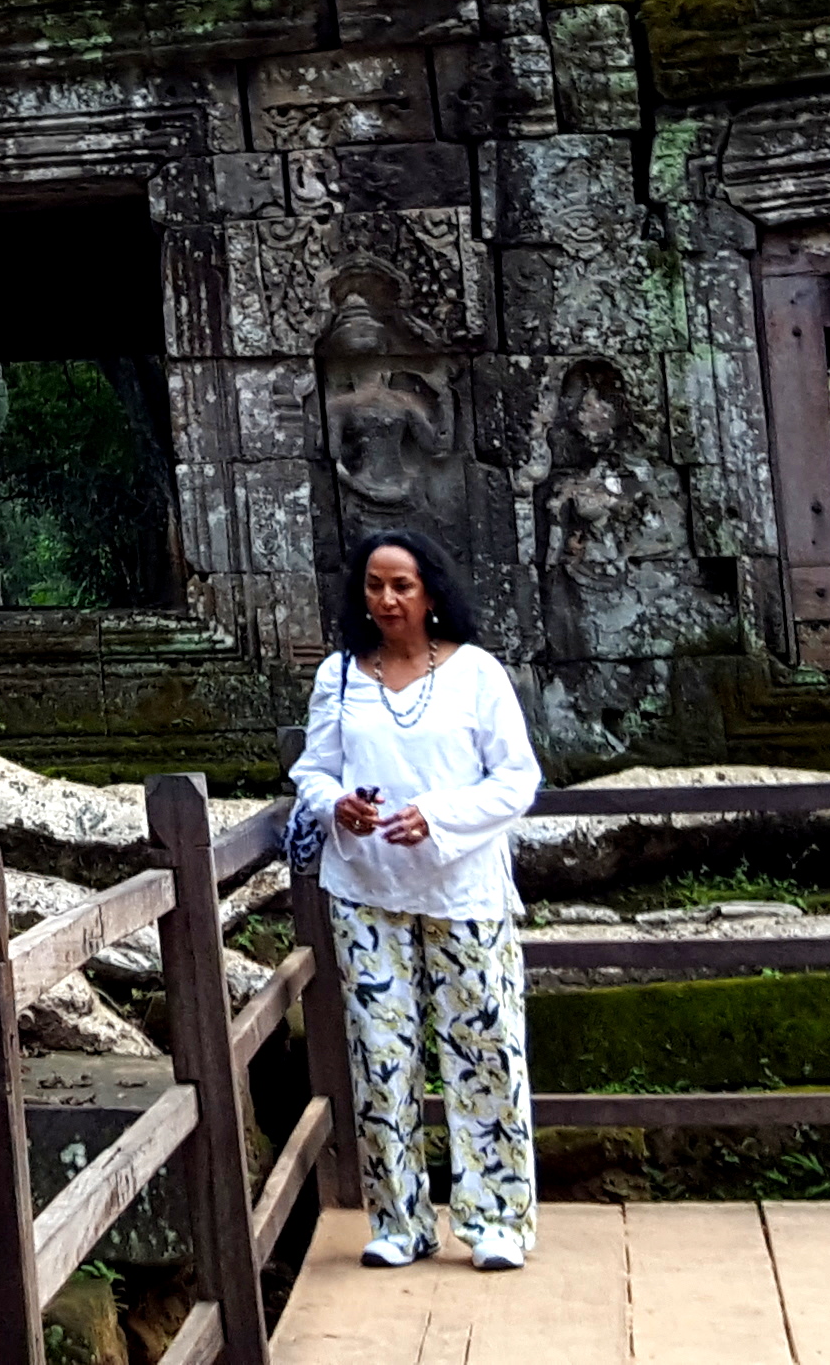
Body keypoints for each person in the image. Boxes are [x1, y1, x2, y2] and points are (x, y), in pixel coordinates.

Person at [289, 526, 542, 1270]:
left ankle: (495, 1220)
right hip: (367, 891)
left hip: (464, 888)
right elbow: (312, 771)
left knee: (483, 1050)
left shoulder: (476, 675)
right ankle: (399, 1220)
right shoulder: (340, 677)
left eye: (401, 585)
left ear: (431, 591)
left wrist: (438, 816)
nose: (387, 599)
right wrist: (339, 805)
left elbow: (516, 780)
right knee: (380, 1056)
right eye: (374, 585)